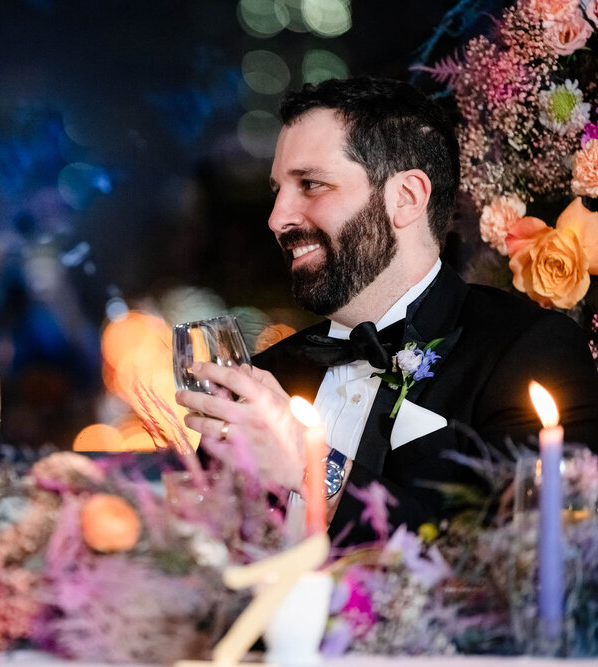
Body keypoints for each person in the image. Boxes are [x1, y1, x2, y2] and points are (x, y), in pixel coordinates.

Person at [177, 77, 598, 545]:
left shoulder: (528, 351)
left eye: (311, 184)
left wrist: (310, 464)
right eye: (278, 190)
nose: (277, 218)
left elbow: (525, 568)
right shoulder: (267, 375)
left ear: (407, 198)